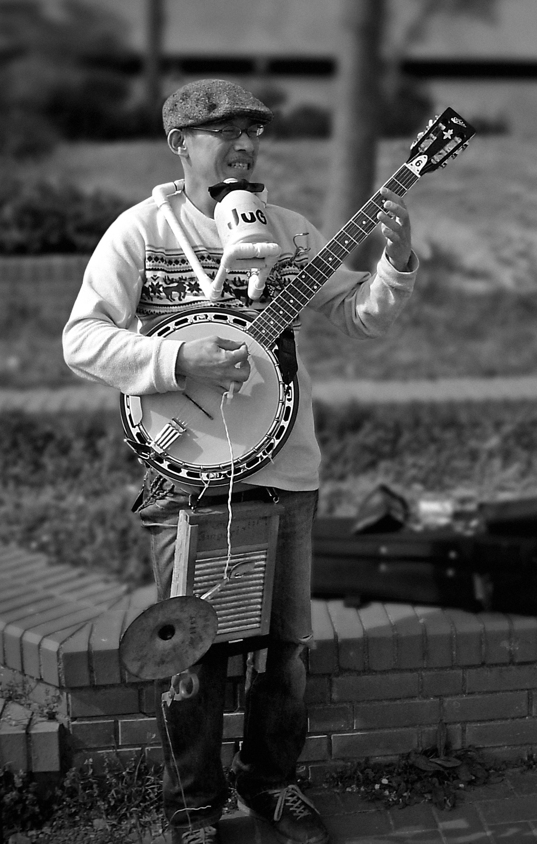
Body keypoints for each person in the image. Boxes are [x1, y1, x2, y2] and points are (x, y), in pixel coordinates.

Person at [62, 78, 418, 844]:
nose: (245, 143)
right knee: (193, 651)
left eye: (253, 130)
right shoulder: (142, 231)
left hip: (287, 472)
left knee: (285, 652)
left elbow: (361, 316)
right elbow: (82, 340)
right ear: (180, 144)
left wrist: (399, 260)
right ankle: (194, 804)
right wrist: (179, 359)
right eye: (225, 131)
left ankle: (272, 785)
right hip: (187, 475)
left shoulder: (288, 232)